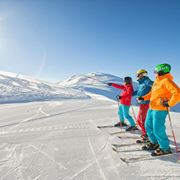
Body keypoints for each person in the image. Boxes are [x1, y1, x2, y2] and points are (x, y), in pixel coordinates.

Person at [138, 63, 180, 156]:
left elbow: (177, 93)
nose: (154, 73)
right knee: (148, 125)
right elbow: (152, 94)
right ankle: (155, 142)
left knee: (158, 128)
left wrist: (169, 103)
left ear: (161, 71)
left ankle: (165, 148)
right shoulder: (157, 81)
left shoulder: (166, 81)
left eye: (155, 71)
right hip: (152, 107)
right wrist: (143, 98)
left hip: (160, 109)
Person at [133, 69, 153, 143]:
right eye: (138, 74)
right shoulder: (140, 83)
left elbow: (154, 86)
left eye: (139, 74)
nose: (138, 76)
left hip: (146, 103)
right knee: (139, 120)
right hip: (142, 103)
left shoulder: (146, 81)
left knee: (142, 120)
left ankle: (146, 135)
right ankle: (146, 134)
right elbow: (137, 91)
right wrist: (128, 95)